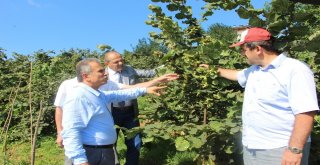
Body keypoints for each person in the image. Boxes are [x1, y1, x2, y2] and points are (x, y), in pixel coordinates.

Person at [202, 27, 319, 165]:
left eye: (244, 49)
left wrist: (294, 150)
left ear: (258, 49)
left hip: (280, 149)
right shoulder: (254, 70)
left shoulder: (295, 70)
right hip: (252, 147)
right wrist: (211, 69)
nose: (242, 54)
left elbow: (305, 113)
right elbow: (236, 75)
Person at [61, 58, 171, 165]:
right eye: (100, 71)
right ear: (86, 76)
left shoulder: (97, 94)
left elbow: (118, 94)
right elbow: (71, 130)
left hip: (103, 151)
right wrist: (80, 161)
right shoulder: (79, 96)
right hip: (92, 153)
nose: (106, 73)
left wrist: (145, 90)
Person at [103, 51, 158, 165]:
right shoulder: (103, 75)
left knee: (135, 142)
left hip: (130, 112)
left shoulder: (130, 70)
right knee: (110, 143)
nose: (121, 62)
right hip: (111, 113)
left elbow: (149, 72)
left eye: (122, 60)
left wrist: (169, 65)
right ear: (107, 63)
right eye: (116, 61)